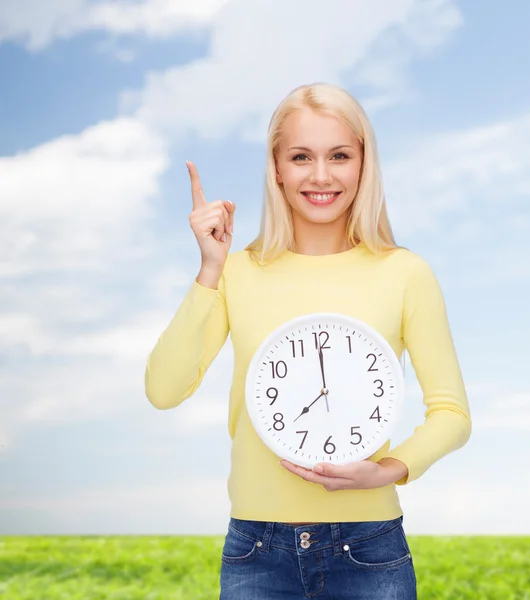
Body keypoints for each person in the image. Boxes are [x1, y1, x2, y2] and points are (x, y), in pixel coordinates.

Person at [144, 82, 472, 599]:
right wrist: (208, 270)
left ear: (363, 164)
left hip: (369, 549)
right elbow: (163, 389)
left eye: (339, 155)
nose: (321, 175)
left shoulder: (406, 273)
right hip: (257, 552)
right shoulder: (235, 273)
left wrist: (386, 471)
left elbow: (452, 413)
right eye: (301, 157)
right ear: (276, 168)